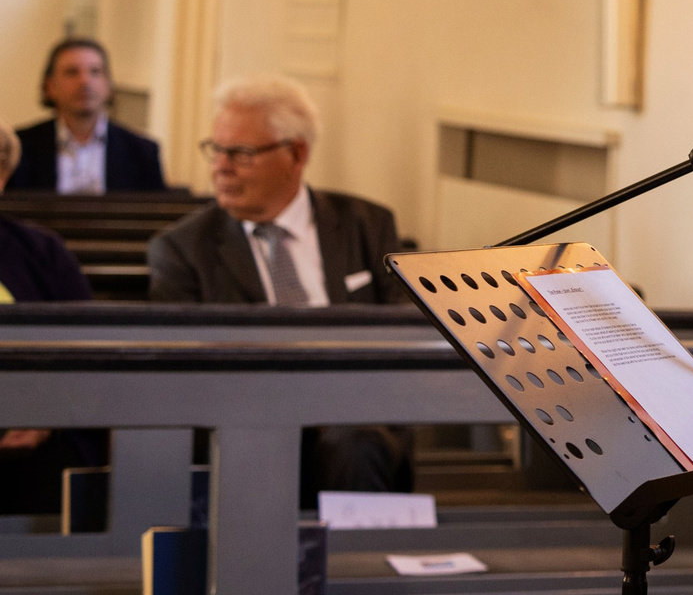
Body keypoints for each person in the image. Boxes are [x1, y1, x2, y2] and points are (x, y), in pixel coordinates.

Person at [148, 75, 410, 496]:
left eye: (241, 153)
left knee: (358, 442)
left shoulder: (367, 225)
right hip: (249, 412)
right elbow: (184, 370)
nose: (220, 166)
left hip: (354, 408)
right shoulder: (182, 250)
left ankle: (359, 560)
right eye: (216, 149)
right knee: (257, 444)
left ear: (296, 154)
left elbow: (404, 327)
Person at [0, 124, 105, 515]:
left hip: (35, 440)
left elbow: (91, 355)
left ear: (3, 176)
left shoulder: (43, 253)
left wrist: (46, 420)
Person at [6, 37, 170, 193]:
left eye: (95, 72)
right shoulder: (18, 148)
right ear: (50, 86)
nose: (85, 81)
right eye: (72, 72)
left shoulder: (142, 152)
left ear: (108, 85)